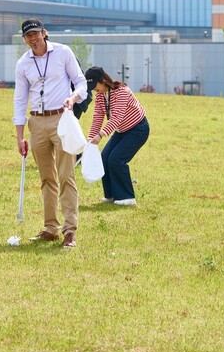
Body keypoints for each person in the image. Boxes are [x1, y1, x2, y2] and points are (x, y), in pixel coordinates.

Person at [13, 18, 87, 248]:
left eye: (36, 33)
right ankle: (50, 228)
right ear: (24, 39)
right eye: (28, 36)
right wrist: (19, 135)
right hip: (37, 122)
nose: (33, 39)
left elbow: (81, 83)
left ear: (44, 33)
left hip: (61, 118)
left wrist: (73, 98)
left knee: (66, 175)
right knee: (46, 179)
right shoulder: (23, 64)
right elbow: (19, 99)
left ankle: (70, 230)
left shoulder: (63, 53)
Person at [85, 66, 150, 206]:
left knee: (116, 159)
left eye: (94, 85)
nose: (94, 89)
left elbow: (116, 118)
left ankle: (127, 198)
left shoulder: (121, 91)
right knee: (104, 158)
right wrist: (90, 139)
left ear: (103, 80)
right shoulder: (101, 95)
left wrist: (101, 134)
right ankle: (111, 195)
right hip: (122, 131)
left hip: (138, 129)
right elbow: (98, 117)